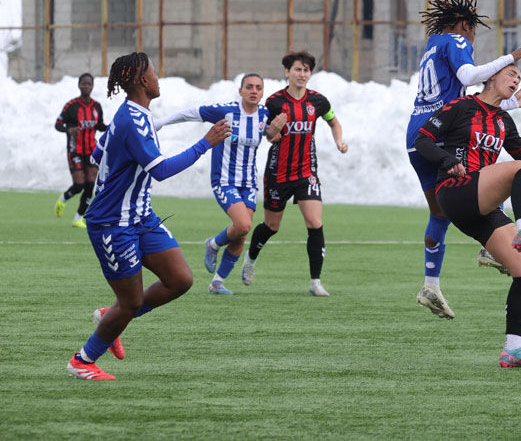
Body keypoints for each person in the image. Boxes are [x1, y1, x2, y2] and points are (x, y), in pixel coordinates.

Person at [66, 52, 231, 380]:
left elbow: (100, 151)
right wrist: (206, 142)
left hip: (141, 217)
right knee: (129, 302)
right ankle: (82, 360)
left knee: (181, 279)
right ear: (142, 80)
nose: (158, 78)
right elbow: (161, 171)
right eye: (154, 72)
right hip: (113, 225)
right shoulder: (132, 120)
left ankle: (110, 318)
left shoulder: (130, 114)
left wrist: (112, 170)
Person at [414, 63, 521, 367]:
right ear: (491, 77)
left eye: (519, 77)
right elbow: (423, 139)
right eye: (511, 74)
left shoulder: (503, 120)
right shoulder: (462, 105)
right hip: (454, 190)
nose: (516, 80)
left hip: (479, 207)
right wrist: (447, 158)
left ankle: (512, 350)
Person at [406, 0, 521, 320]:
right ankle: (489, 246)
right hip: (441, 136)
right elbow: (470, 76)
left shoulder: (432, 46)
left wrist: (509, 103)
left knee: (440, 213)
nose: (473, 39)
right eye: (473, 30)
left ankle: (430, 285)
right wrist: (510, 58)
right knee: (486, 169)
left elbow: (472, 102)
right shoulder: (457, 41)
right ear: (464, 25)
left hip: (417, 136)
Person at [243, 51, 348, 296]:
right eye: (297, 70)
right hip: (278, 172)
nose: (302, 74)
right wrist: (273, 131)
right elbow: (268, 136)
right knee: (271, 226)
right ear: (287, 72)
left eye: (306, 70)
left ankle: (315, 282)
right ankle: (250, 258)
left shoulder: (318, 102)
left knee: (314, 223)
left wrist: (339, 142)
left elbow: (334, 122)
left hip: (306, 171)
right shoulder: (274, 102)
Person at [154, 73, 269, 295]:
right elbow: (191, 113)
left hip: (249, 183)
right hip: (224, 180)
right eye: (249, 87)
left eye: (258, 88)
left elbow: (274, 133)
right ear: (241, 91)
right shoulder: (225, 111)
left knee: (241, 234)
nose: (254, 91)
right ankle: (213, 245)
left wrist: (276, 133)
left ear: (262, 92)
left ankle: (217, 282)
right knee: (243, 225)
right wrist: (161, 122)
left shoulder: (265, 114)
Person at [54, 73, 107, 229]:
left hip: (91, 151)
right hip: (75, 150)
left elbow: (100, 126)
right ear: (79, 85)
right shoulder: (71, 106)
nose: (86, 86)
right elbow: (57, 124)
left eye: (89, 84)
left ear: (92, 86)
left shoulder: (97, 107)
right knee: (79, 185)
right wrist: (69, 129)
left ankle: (78, 218)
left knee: (90, 185)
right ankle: (63, 199)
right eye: (84, 83)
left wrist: (113, 128)